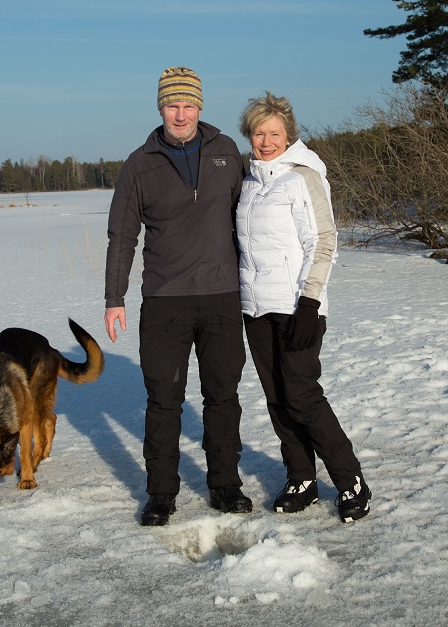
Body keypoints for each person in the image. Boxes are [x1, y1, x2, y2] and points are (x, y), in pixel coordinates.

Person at [104, 66, 253, 526]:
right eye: (173, 104)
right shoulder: (139, 164)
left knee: (222, 396)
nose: (181, 113)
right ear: (160, 108)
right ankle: (161, 494)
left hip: (221, 296)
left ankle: (225, 485)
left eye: (188, 104)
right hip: (165, 301)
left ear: (200, 107)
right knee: (164, 401)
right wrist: (115, 297)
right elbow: (122, 234)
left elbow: (252, 215)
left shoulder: (227, 152)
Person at [235, 91, 372, 523]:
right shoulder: (250, 180)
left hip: (297, 306)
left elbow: (324, 241)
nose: (266, 140)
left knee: (303, 396)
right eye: (259, 133)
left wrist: (310, 302)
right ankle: (301, 479)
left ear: (289, 135)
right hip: (255, 307)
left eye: (274, 133)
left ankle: (350, 481)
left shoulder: (303, 177)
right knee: (277, 398)